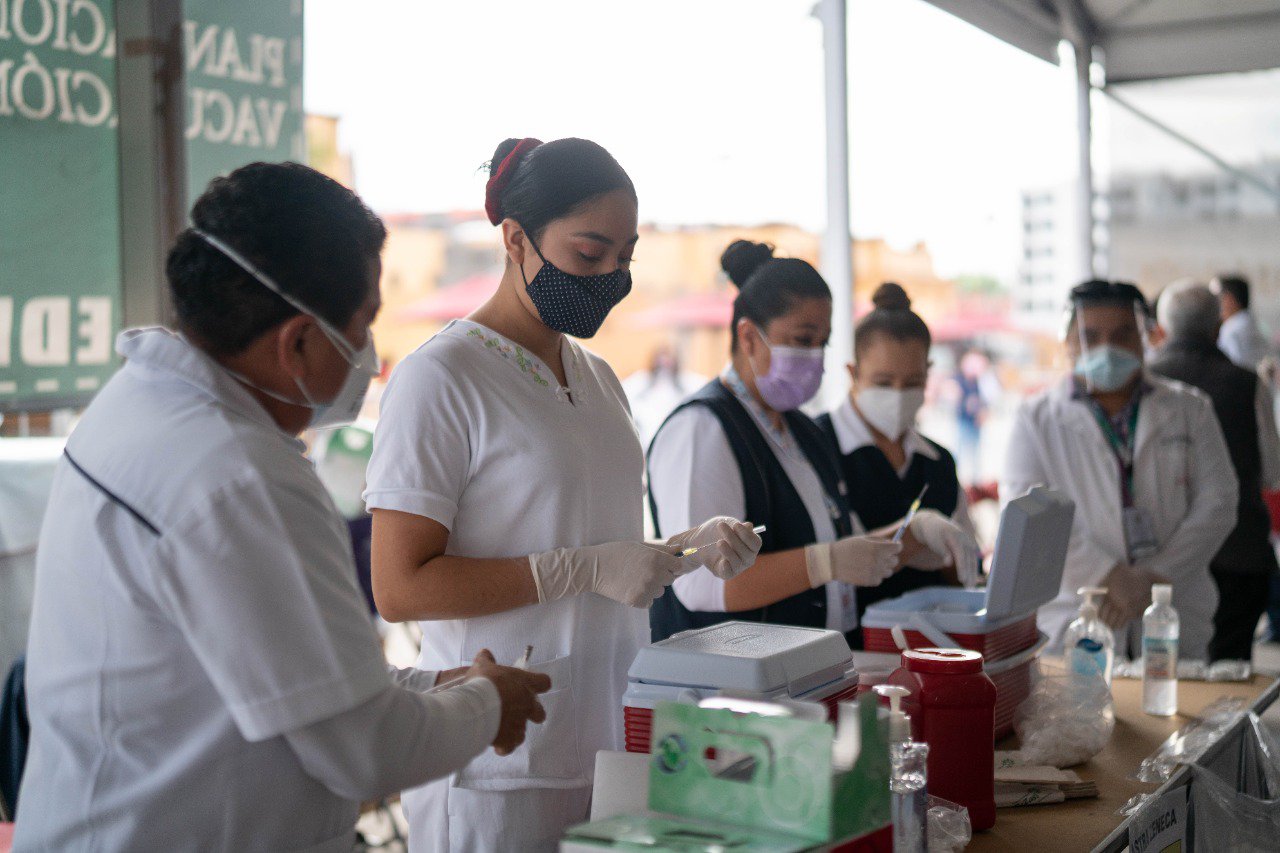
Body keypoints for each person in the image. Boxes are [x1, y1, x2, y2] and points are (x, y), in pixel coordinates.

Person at [14, 163, 551, 850]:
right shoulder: (241, 477)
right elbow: (365, 750)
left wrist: (437, 683)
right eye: (361, 327)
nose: (369, 357)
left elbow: (281, 666)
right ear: (297, 342)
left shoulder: (137, 408)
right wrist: (488, 702)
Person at [363, 138, 761, 852]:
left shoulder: (601, 379)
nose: (611, 276)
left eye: (626, 257)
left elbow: (593, 544)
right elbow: (399, 587)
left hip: (613, 740)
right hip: (494, 762)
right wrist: (580, 569)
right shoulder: (441, 378)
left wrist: (683, 549)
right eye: (590, 253)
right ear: (516, 240)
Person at [646, 241, 977, 646]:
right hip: (728, 672)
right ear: (748, 337)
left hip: (810, 663)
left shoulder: (802, 432)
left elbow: (847, 549)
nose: (816, 357)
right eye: (803, 340)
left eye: (823, 342)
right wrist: (823, 563)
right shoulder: (703, 428)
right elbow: (700, 583)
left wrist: (918, 532)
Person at [1002, 279, 1237, 661]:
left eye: (1122, 335)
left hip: (1174, 612)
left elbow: (1219, 503)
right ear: (1066, 342)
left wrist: (1154, 578)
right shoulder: (1036, 419)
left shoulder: (1190, 408)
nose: (1106, 348)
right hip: (1077, 614)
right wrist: (1107, 576)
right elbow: (1028, 513)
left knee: (1171, 697)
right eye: (1090, 336)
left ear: (1145, 337)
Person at [816, 284, 981, 646]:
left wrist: (962, 561)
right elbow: (832, 563)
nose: (898, 395)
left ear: (929, 374)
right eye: (883, 382)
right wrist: (917, 536)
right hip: (847, 647)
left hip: (934, 646)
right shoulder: (816, 447)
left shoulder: (938, 462)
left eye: (912, 382)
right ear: (852, 372)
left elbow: (964, 573)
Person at [1149, 280, 1280, 661]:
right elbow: (1271, 471)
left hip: (1160, 558)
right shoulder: (1246, 384)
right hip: (1238, 555)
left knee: (1159, 670)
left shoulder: (1145, 384)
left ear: (1162, 329)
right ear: (1218, 326)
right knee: (1228, 675)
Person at [621, 343, 707, 447]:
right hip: (645, 440)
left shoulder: (689, 383)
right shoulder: (639, 383)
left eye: (668, 362)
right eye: (661, 362)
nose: (665, 365)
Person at [953, 348, 998, 485]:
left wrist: (984, 411)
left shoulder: (981, 381)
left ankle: (974, 480)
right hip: (964, 419)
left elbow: (990, 398)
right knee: (961, 448)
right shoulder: (960, 380)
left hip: (975, 420)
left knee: (974, 450)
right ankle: (960, 476)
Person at [1213, 274, 1270, 370]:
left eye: (1214, 297)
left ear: (1228, 299)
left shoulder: (1232, 330)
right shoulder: (1248, 323)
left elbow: (1235, 369)